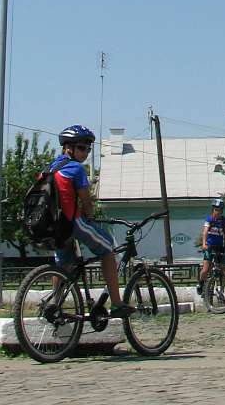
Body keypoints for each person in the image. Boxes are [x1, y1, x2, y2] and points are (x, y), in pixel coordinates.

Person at [51, 124, 132, 318]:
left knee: (62, 264)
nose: (85, 152)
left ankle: (55, 306)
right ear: (67, 147)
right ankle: (117, 303)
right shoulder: (76, 169)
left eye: (88, 149)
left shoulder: (52, 167)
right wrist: (90, 216)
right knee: (108, 248)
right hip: (73, 222)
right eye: (81, 148)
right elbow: (86, 201)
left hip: (56, 226)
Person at [196, 198, 225, 295]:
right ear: (213, 210)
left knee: (223, 270)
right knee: (206, 269)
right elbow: (205, 231)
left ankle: (222, 292)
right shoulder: (209, 219)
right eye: (216, 210)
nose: (218, 212)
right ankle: (200, 283)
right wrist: (204, 244)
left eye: (220, 210)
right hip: (210, 246)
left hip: (220, 246)